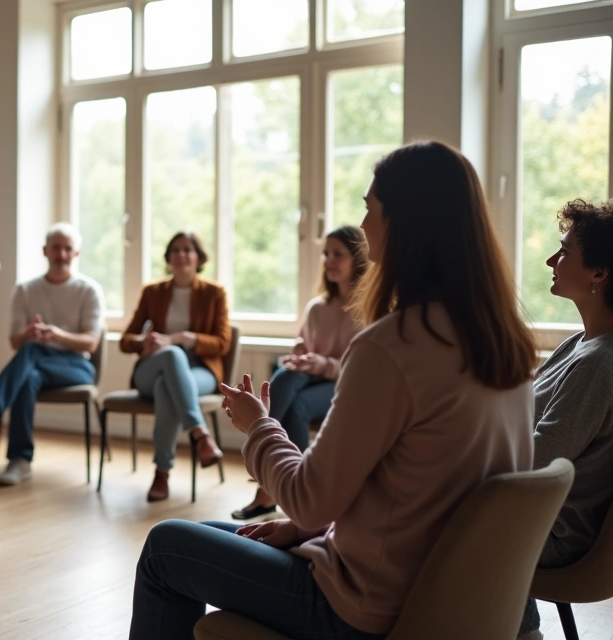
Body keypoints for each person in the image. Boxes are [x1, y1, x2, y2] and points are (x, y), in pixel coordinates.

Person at [130, 141, 537, 639]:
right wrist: (306, 531)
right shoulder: (503, 343)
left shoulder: (394, 345)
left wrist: (259, 426)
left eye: (370, 209)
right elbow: (408, 489)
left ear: (405, 223)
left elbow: (308, 498)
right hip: (435, 588)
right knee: (208, 533)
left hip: (360, 606)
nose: (363, 226)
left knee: (166, 545)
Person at [517, 197, 613, 638]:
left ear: (599, 273)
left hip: (558, 536)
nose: (550, 261)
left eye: (563, 251)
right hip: (542, 518)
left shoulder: (598, 364)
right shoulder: (583, 345)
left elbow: (533, 461)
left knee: (424, 519)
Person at [0, 222, 104, 485]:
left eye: (67, 248)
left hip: (76, 366)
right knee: (28, 375)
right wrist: (29, 333)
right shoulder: (25, 290)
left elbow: (91, 343)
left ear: (76, 253)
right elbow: (15, 342)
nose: (62, 254)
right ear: (45, 250)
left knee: (30, 355)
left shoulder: (89, 290)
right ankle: (20, 462)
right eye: (56, 248)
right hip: (34, 364)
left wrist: (56, 334)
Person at [233, 226, 366, 520]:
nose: (329, 260)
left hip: (347, 384)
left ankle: (267, 471)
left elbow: (363, 370)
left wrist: (324, 364)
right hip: (311, 379)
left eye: (338, 254)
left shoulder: (368, 309)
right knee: (287, 376)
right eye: (326, 254)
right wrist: (298, 359)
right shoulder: (317, 307)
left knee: (298, 407)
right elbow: (301, 346)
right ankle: (300, 492)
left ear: (357, 258)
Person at [119, 232, 230, 502]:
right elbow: (125, 340)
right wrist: (143, 341)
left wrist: (180, 338)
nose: (181, 255)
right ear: (168, 258)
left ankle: (162, 472)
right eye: (176, 250)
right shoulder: (152, 292)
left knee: (166, 387)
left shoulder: (214, 293)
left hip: (199, 369)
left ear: (199, 258)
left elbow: (222, 343)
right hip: (153, 366)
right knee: (170, 357)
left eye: (188, 250)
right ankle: (200, 433)